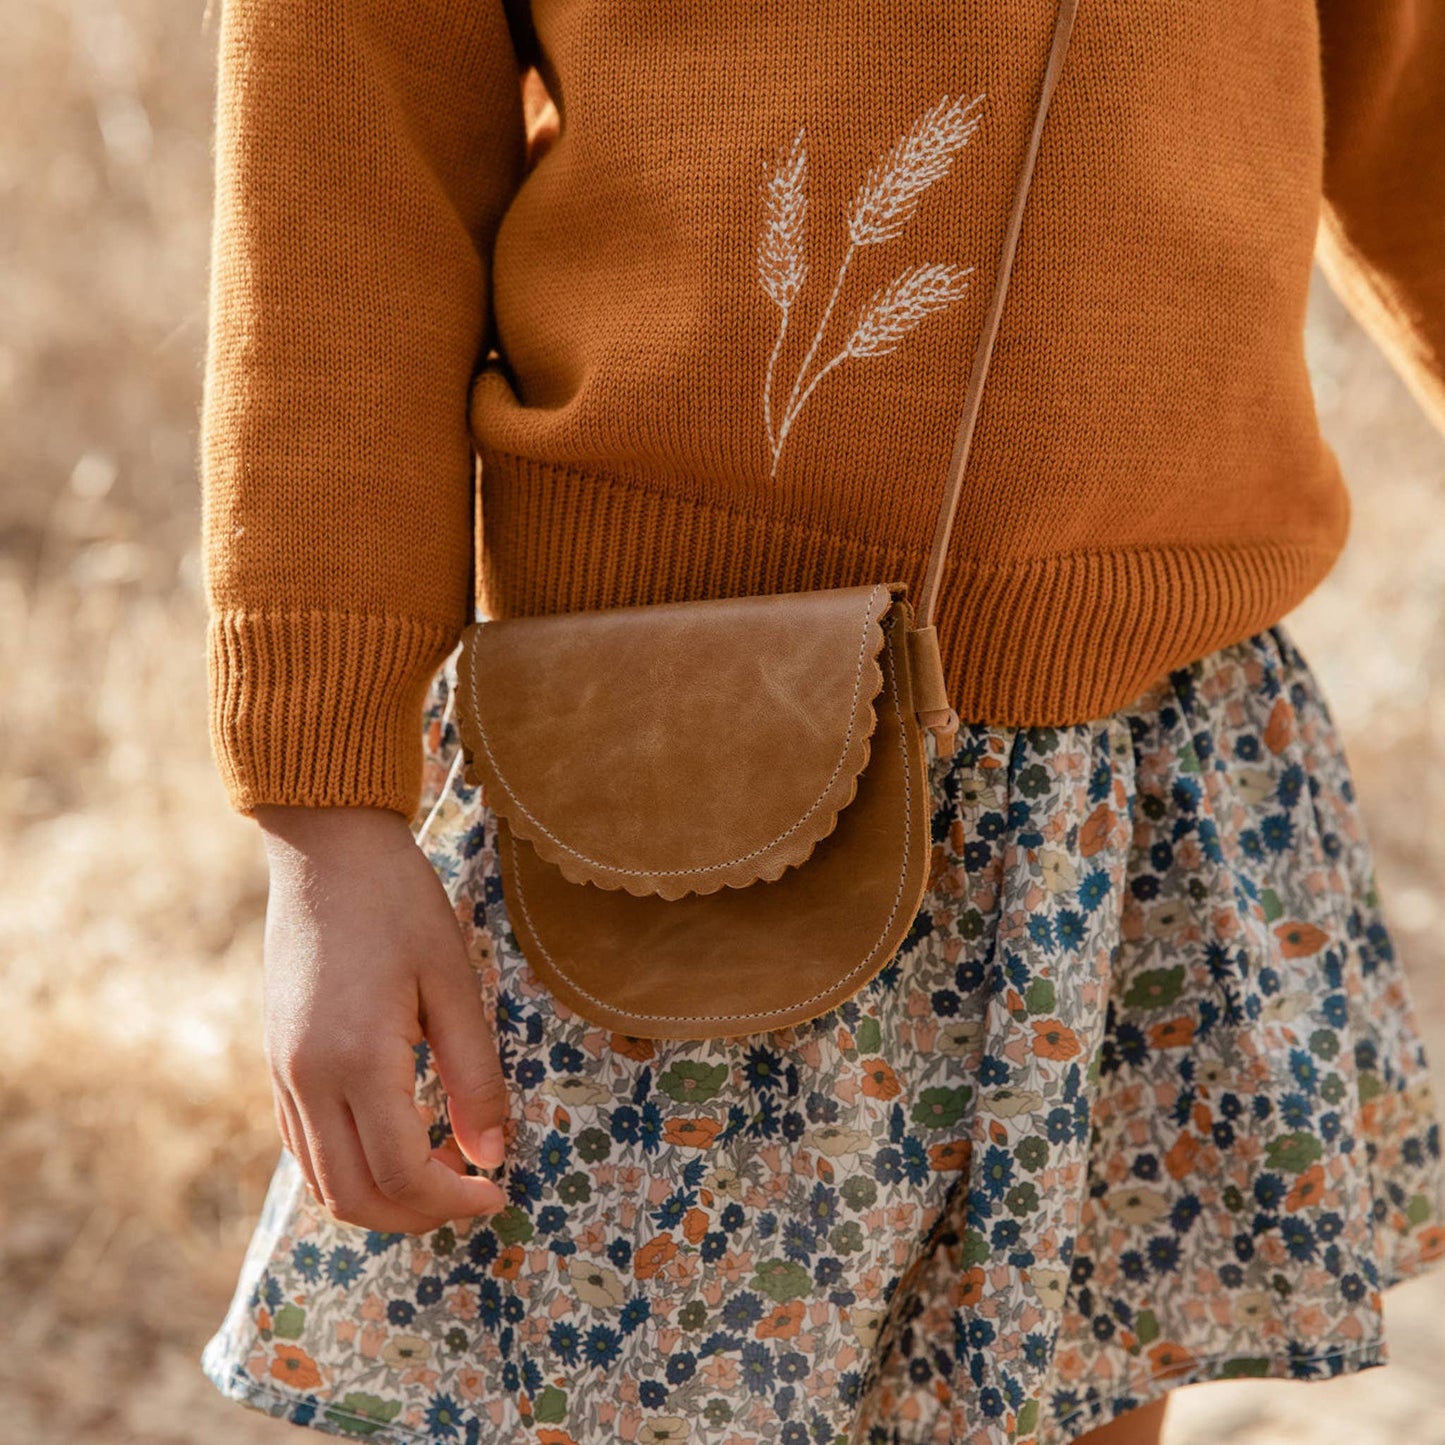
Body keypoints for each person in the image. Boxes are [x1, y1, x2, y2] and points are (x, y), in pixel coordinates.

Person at [195, 2, 1445, 1442]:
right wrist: (327, 815)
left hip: (1135, 775)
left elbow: (1408, 103)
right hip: (675, 782)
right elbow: (341, 187)